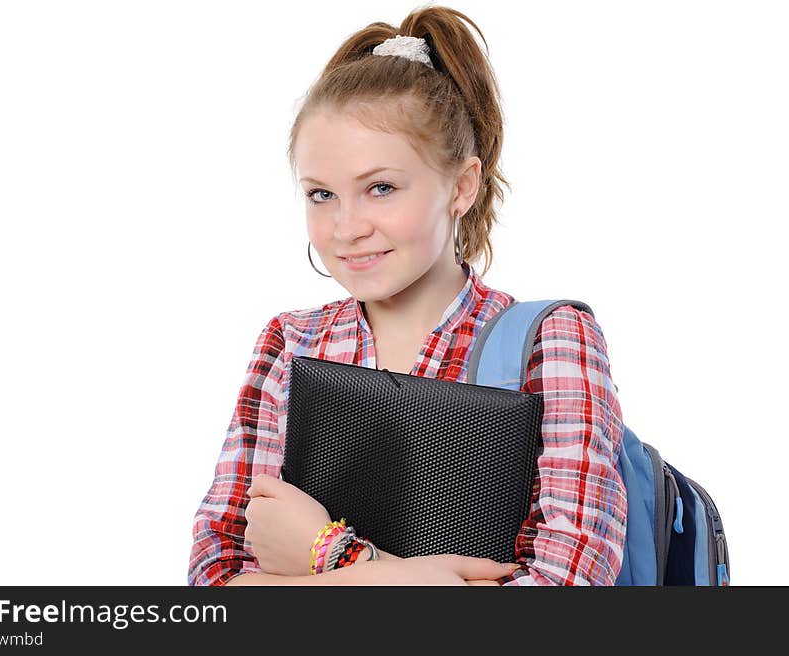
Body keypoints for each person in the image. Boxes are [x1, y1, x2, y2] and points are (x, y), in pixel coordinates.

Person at [187, 5, 627, 586]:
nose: (346, 228)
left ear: (462, 186)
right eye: (321, 194)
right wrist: (421, 581)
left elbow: (569, 585)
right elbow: (213, 581)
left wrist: (332, 558)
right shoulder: (291, 343)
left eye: (381, 188)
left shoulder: (549, 340)